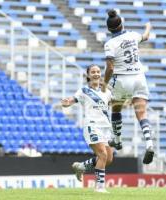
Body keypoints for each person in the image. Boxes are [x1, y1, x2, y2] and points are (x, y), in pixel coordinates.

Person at [101, 9, 154, 164]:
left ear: (109, 29)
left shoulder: (110, 44)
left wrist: (105, 83)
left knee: (116, 107)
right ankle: (149, 143)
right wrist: (148, 26)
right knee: (142, 113)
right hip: (139, 77)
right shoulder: (132, 35)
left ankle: (117, 140)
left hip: (123, 80)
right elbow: (145, 36)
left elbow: (110, 67)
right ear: (121, 23)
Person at [61, 64, 113, 193]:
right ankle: (99, 187)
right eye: (93, 72)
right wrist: (67, 103)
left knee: (109, 158)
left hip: (105, 127)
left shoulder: (107, 92)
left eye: (98, 71)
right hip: (92, 125)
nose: (96, 74)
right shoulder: (84, 90)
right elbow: (73, 100)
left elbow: (113, 105)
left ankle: (82, 166)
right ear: (88, 75)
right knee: (102, 154)